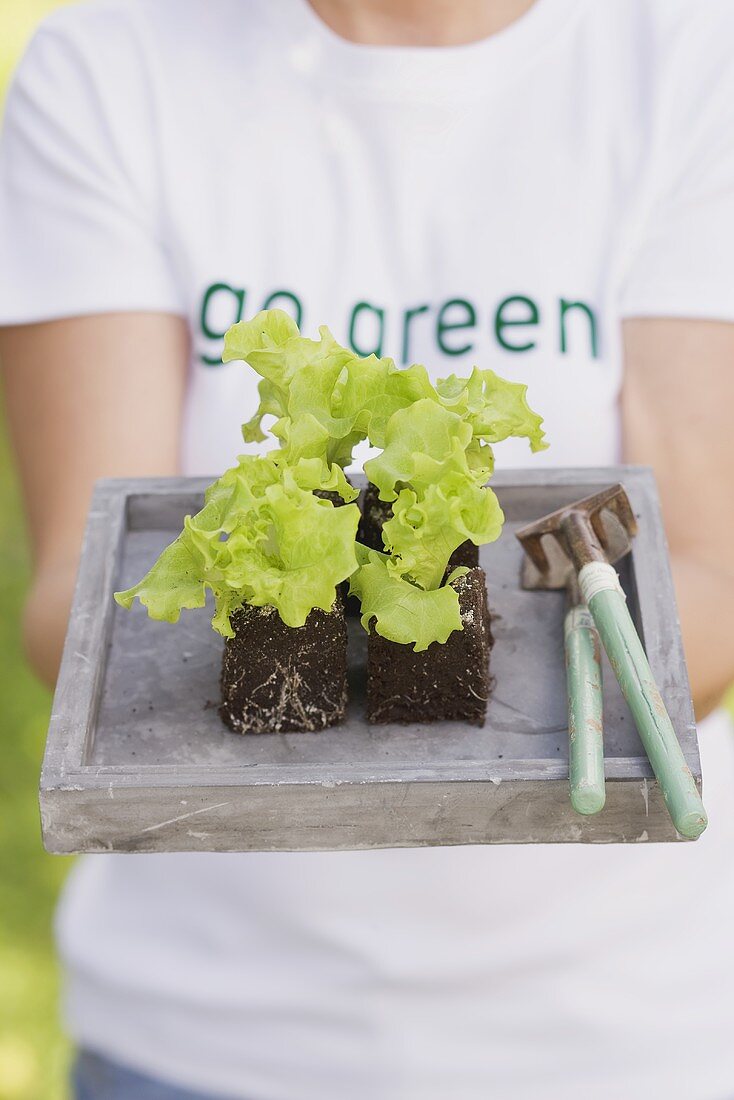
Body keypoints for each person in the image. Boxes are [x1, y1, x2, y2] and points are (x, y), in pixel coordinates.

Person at [2, 0, 734, 1097]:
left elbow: (708, 580)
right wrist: (273, 607)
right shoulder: (108, 63)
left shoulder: (685, 58)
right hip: (200, 1031)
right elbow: (80, 592)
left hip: (617, 1032)